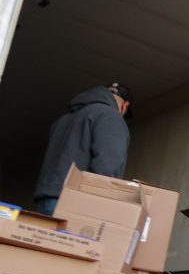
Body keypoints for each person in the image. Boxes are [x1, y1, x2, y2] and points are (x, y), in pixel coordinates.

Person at [33, 82, 133, 215]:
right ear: (124, 106)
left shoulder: (64, 120)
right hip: (74, 202)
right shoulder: (110, 116)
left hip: (45, 200)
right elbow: (108, 165)